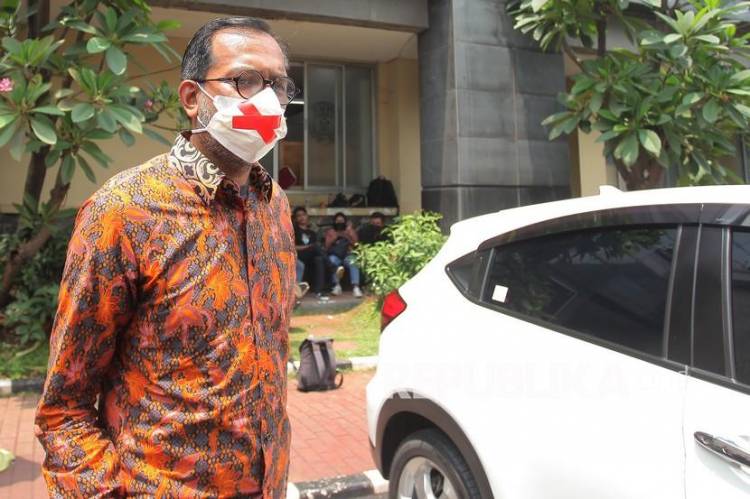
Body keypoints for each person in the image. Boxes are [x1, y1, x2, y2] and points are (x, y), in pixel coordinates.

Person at [34, 17, 296, 498]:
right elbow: (64, 408)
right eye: (245, 81)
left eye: (278, 85)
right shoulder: (124, 211)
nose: (266, 100)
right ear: (193, 98)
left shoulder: (273, 205)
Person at [324, 212, 363, 298]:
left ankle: (356, 287)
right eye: (338, 221)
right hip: (335, 255)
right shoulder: (331, 231)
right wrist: (334, 237)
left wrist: (348, 234)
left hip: (348, 254)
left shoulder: (349, 230)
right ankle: (336, 285)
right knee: (332, 261)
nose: (340, 223)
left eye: (342, 221)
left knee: (353, 261)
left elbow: (356, 244)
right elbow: (326, 247)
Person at [293, 206, 328, 297]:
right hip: (299, 255)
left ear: (307, 216)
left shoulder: (312, 233)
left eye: (303, 215)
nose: (302, 217)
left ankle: (318, 291)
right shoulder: (294, 231)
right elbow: (292, 247)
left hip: (310, 257)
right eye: (299, 216)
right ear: (295, 219)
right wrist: (308, 247)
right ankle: (333, 267)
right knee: (315, 247)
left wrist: (312, 247)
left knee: (319, 259)